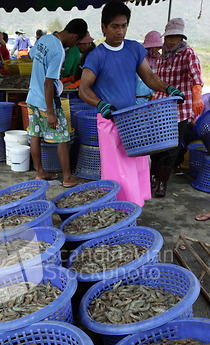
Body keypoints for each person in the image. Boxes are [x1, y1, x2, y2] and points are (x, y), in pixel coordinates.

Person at [79, 2, 185, 206]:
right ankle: (117, 210)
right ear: (103, 27)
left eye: (123, 25)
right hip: (110, 122)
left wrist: (168, 88)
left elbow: (149, 77)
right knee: (116, 172)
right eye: (114, 26)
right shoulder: (97, 55)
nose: (120, 31)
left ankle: (134, 208)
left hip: (133, 122)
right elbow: (84, 89)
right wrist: (101, 104)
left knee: (136, 167)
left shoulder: (133, 49)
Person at [27, 18, 88, 185]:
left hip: (32, 98)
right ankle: (67, 178)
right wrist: (51, 113)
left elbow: (30, 56)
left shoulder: (44, 39)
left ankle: (40, 172)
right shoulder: (58, 51)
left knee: (35, 135)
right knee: (62, 137)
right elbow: (48, 83)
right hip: (46, 101)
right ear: (75, 37)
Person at [150, 18, 204, 196]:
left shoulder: (188, 54)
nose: (172, 41)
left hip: (180, 109)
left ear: (181, 37)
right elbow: (156, 79)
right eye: (169, 37)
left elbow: (196, 78)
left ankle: (162, 183)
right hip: (160, 106)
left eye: (176, 37)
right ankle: (153, 176)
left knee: (172, 147)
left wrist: (197, 96)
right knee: (156, 145)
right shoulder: (162, 55)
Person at [136, 30, 162, 104]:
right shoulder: (140, 58)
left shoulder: (159, 60)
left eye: (158, 47)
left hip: (153, 99)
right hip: (138, 99)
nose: (157, 50)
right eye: (155, 47)